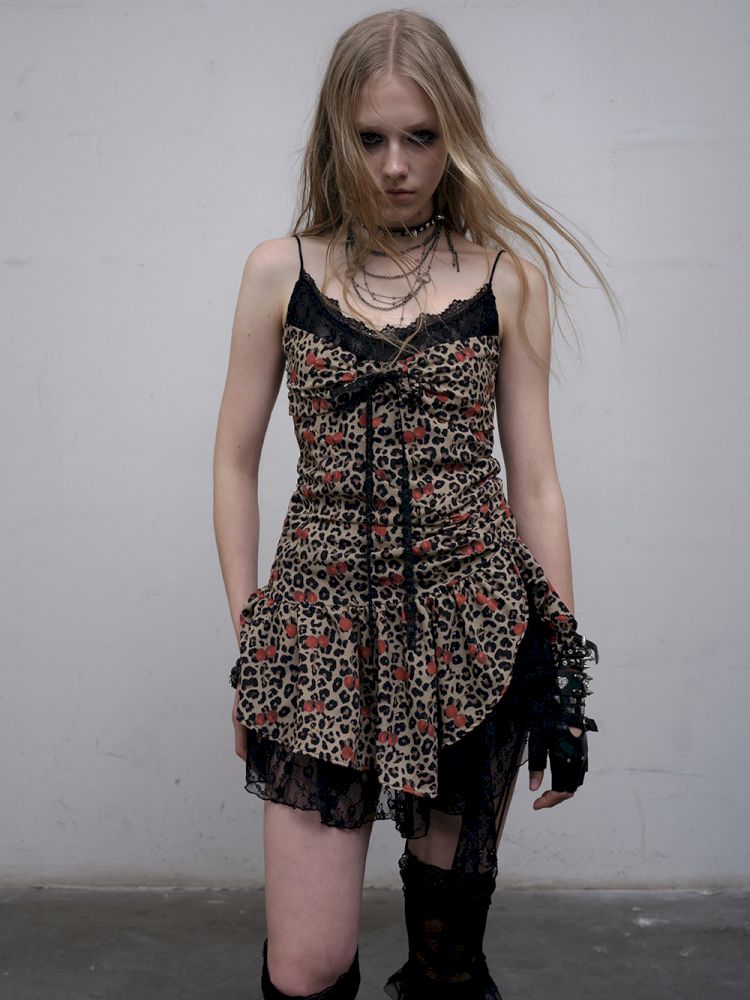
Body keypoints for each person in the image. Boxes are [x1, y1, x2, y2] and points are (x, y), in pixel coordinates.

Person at [213, 9, 616, 999]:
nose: (396, 165)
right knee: (307, 964)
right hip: (317, 633)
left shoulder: (508, 281)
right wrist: (253, 637)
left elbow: (536, 484)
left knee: (447, 957)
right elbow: (232, 462)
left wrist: (562, 684)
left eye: (421, 136)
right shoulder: (279, 272)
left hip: (471, 631)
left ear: (455, 134)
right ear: (336, 135)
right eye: (371, 138)